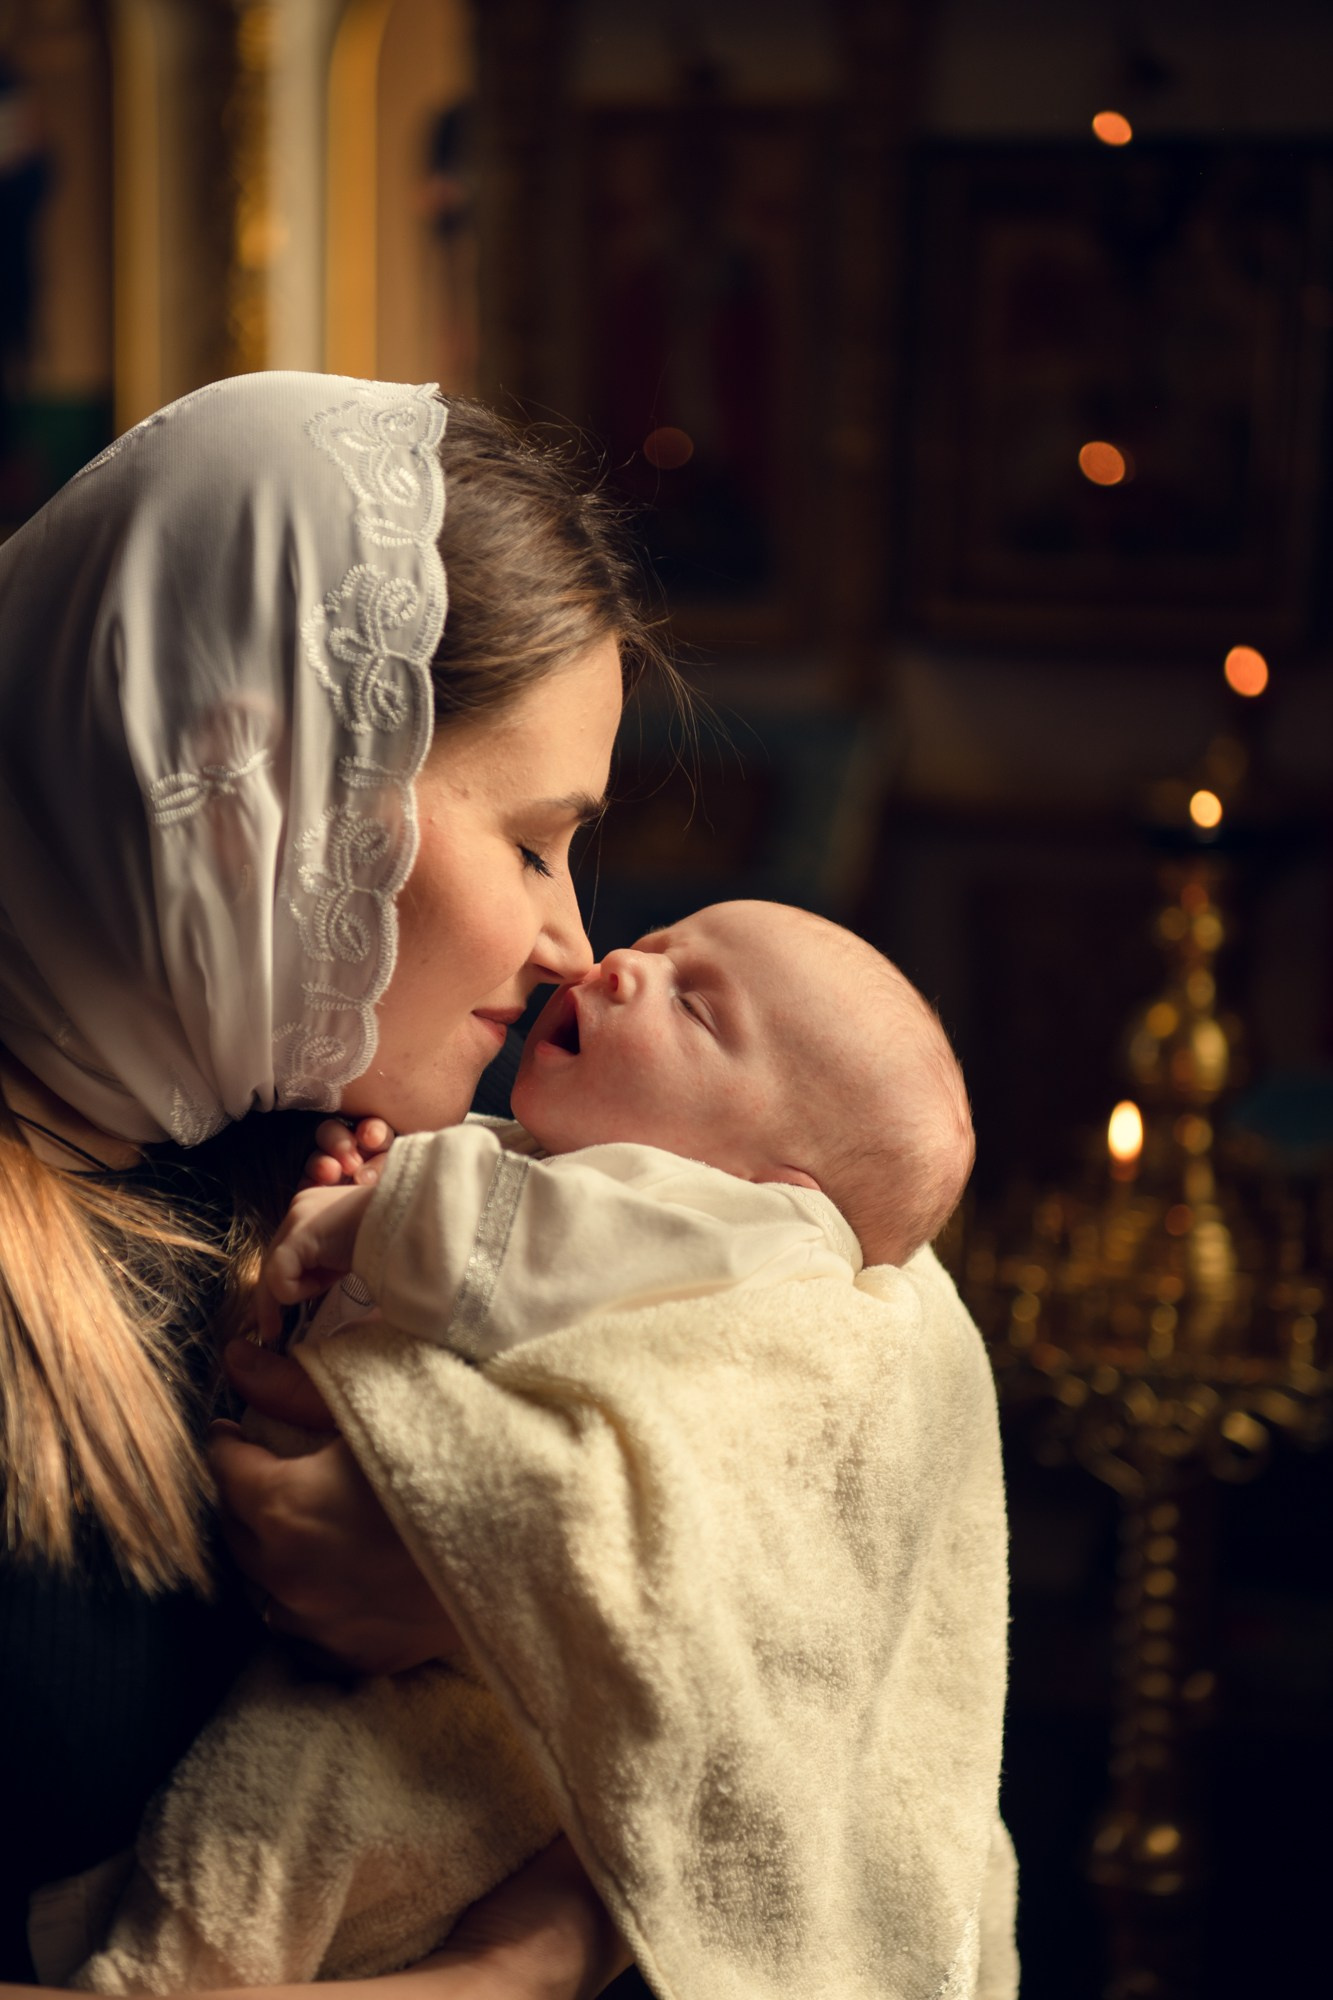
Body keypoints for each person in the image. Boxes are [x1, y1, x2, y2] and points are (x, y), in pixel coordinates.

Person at [0, 367, 664, 2000]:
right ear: (258, 801)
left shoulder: (307, 1175)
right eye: (529, 843)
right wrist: (510, 1975)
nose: (573, 944)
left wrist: (472, 1586)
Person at [74, 904, 1016, 1998]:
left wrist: (383, 1213)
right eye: (656, 946)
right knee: (260, 1812)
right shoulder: (526, 1157)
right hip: (360, 1635)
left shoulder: (754, 1237)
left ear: (779, 1181)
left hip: (487, 1705)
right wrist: (368, 1187)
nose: (614, 966)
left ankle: (159, 1968)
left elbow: (544, 1247)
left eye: (697, 1007)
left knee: (284, 1819)